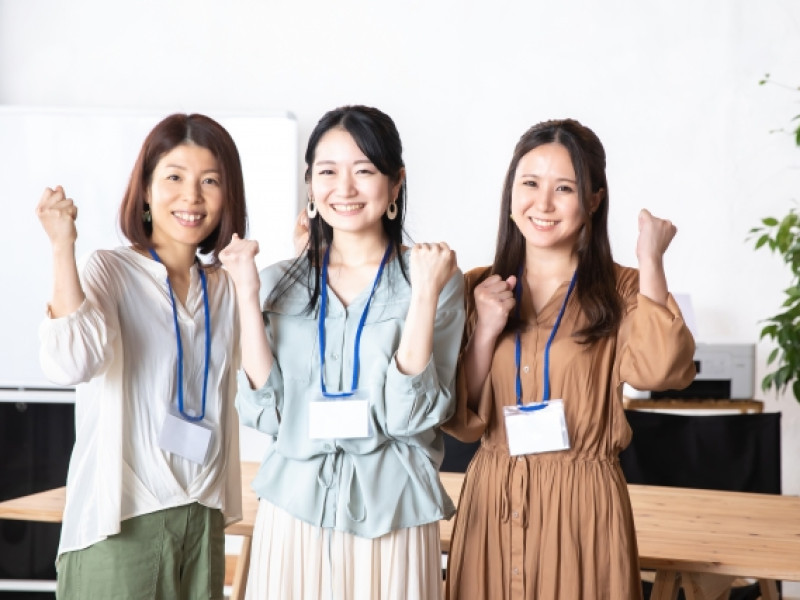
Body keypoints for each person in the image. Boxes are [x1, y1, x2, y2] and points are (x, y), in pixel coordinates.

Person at [442, 118, 696, 600]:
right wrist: (485, 332)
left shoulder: (622, 291)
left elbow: (663, 370)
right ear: (510, 191)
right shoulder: (477, 286)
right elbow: (463, 423)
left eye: (565, 188)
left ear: (595, 199)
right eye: (530, 183)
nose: (543, 203)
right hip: (491, 501)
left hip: (584, 511)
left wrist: (651, 261)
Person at [220, 104, 465, 600]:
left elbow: (408, 416)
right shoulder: (275, 284)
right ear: (310, 186)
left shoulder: (435, 280)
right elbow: (267, 415)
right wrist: (246, 293)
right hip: (293, 515)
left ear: (395, 185)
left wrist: (422, 295)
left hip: (391, 516)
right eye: (328, 172)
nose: (345, 188)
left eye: (365, 171)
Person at [37, 113, 247, 600]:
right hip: (123, 523)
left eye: (209, 181)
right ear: (147, 191)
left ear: (227, 196)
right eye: (174, 177)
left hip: (204, 521)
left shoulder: (226, 286)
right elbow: (71, 364)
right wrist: (62, 246)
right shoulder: (111, 269)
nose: (191, 197)